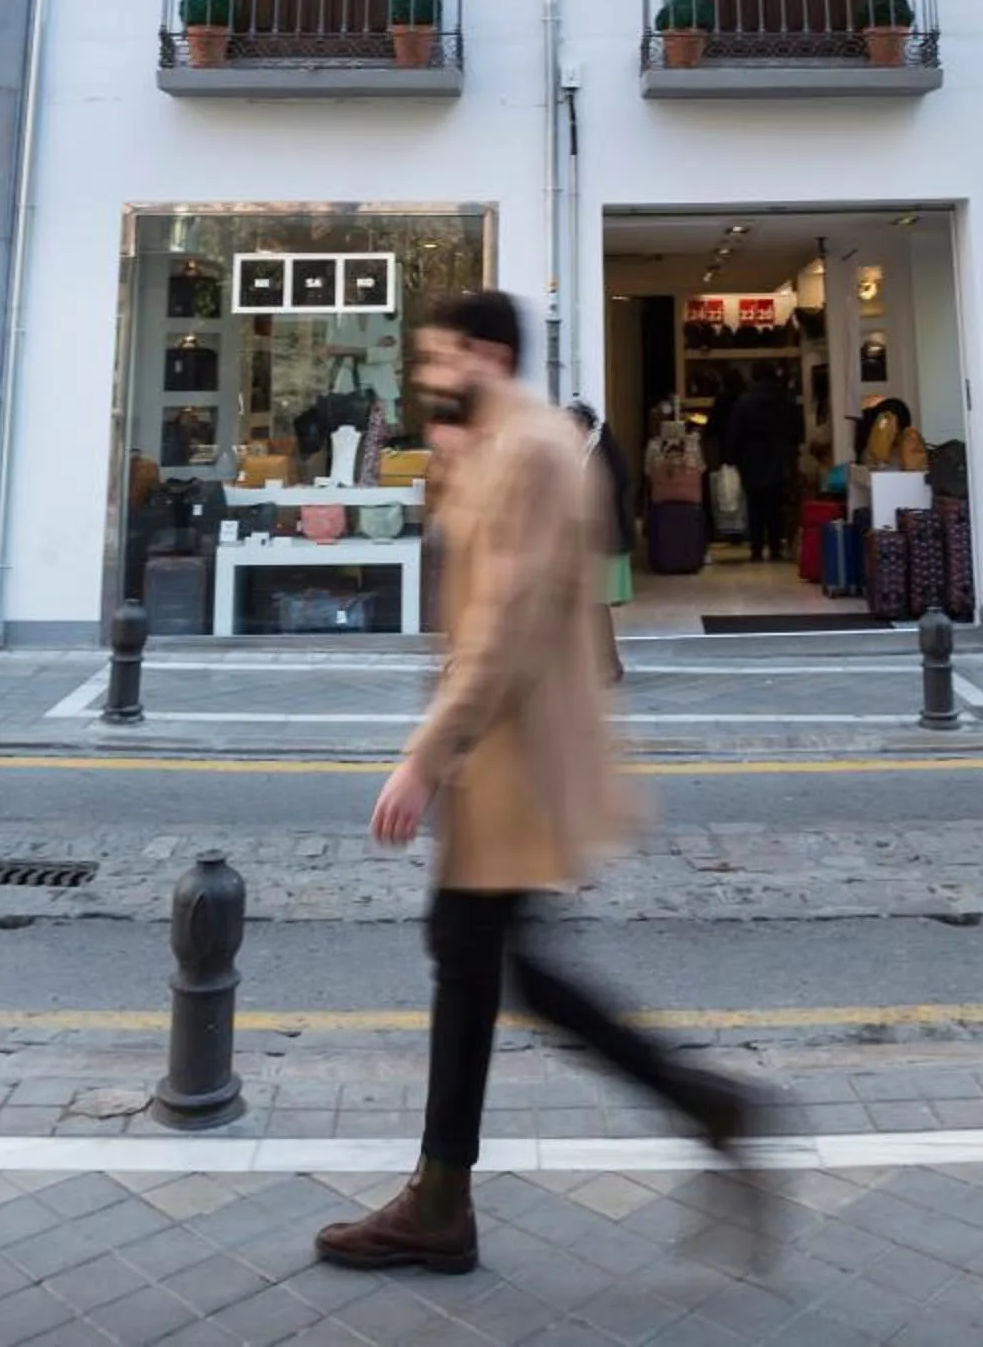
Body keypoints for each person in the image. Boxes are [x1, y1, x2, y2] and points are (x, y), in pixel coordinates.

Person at [316, 290, 760, 1277]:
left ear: (482, 352)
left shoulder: (525, 449)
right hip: (509, 753)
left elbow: (504, 625)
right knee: (480, 963)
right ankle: (443, 1197)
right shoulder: (512, 442)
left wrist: (424, 758)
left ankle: (695, 1109)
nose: (428, 377)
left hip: (508, 757)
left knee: (491, 964)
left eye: (438, 358)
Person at [568, 397, 634, 683]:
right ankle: (603, 665)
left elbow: (600, 496)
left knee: (595, 605)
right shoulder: (596, 447)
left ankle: (607, 666)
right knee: (594, 605)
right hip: (600, 540)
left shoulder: (597, 451)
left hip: (601, 541)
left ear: (582, 424)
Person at [729, 368, 803, 564]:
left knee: (755, 506)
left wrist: (736, 459)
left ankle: (756, 549)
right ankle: (776, 547)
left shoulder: (744, 402)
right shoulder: (785, 401)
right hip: (778, 458)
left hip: (751, 459)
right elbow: (797, 431)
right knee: (775, 506)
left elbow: (735, 435)